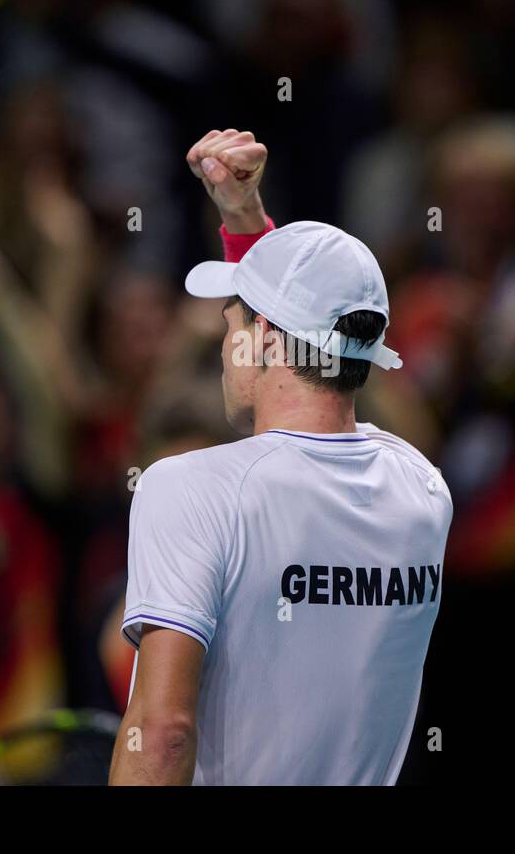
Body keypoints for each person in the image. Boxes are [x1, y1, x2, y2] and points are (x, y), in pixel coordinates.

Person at [108, 129, 453, 785]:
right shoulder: (424, 492)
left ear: (262, 337)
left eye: (230, 322)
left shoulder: (189, 489)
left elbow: (163, 735)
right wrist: (246, 221)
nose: (222, 344)